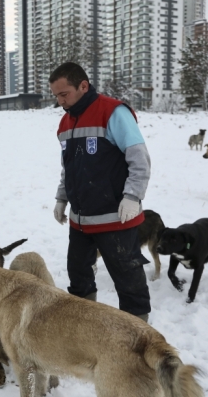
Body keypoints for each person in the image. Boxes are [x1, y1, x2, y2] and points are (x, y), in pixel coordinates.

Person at [48, 62, 151, 322]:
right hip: (80, 220)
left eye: (64, 94)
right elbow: (68, 167)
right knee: (78, 278)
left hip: (116, 218)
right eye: (56, 96)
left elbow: (139, 159)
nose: (60, 102)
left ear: (83, 86)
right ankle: (85, 331)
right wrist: (62, 198)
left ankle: (138, 337)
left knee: (129, 281)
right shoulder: (65, 122)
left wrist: (132, 197)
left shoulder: (113, 112)